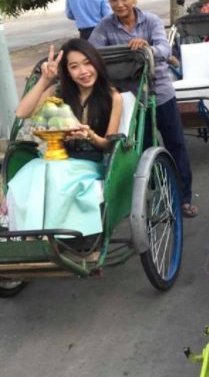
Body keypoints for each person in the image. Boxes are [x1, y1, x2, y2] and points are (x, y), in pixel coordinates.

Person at [89, 0, 198, 218]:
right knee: (142, 149)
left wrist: (146, 48)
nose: (119, 4)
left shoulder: (150, 21)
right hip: (131, 99)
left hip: (160, 93)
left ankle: (184, 198)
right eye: (113, 0)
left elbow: (164, 49)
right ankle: (155, 196)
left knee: (176, 145)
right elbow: (92, 54)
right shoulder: (105, 27)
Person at [7, 39, 123, 236]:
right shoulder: (58, 92)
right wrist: (45, 80)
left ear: (96, 63)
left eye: (87, 63)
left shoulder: (112, 97)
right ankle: (32, 235)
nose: (83, 71)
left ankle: (55, 237)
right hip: (56, 159)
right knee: (31, 173)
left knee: (53, 174)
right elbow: (22, 113)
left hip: (90, 163)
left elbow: (109, 145)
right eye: (74, 66)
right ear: (67, 71)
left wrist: (91, 136)